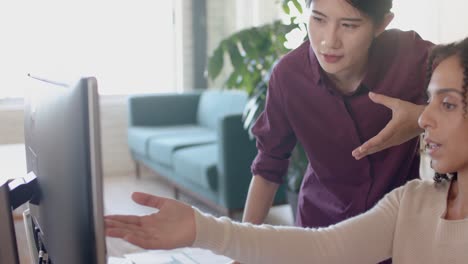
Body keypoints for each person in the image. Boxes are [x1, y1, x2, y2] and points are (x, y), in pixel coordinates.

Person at [106, 36, 468, 263]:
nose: (424, 119)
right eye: (429, 101)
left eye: (447, 104)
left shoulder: (411, 54)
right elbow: (325, 249)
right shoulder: (412, 202)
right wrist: (202, 230)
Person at [242, 0, 432, 238]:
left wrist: (422, 118)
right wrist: (240, 253)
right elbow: (268, 165)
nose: (329, 41)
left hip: (399, 231)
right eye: (318, 19)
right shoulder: (288, 76)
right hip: (320, 229)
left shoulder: (410, 56)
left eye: (349, 25)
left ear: (382, 24)